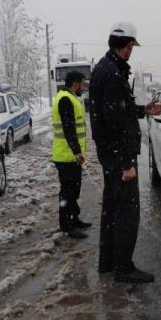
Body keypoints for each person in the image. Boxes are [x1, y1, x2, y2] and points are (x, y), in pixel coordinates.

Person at [89, 22, 161, 283]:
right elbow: (114, 123)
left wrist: (144, 110)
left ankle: (108, 263)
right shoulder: (111, 73)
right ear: (128, 45)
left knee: (112, 209)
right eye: (132, 47)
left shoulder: (106, 68)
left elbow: (118, 111)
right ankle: (123, 268)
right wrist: (125, 164)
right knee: (127, 214)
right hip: (118, 157)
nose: (132, 51)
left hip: (111, 155)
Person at [52, 71, 92, 239]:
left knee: (73, 190)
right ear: (75, 83)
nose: (83, 87)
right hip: (66, 156)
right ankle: (67, 226)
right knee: (68, 192)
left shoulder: (70, 97)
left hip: (71, 156)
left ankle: (74, 219)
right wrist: (77, 152)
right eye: (82, 84)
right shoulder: (65, 99)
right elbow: (69, 129)